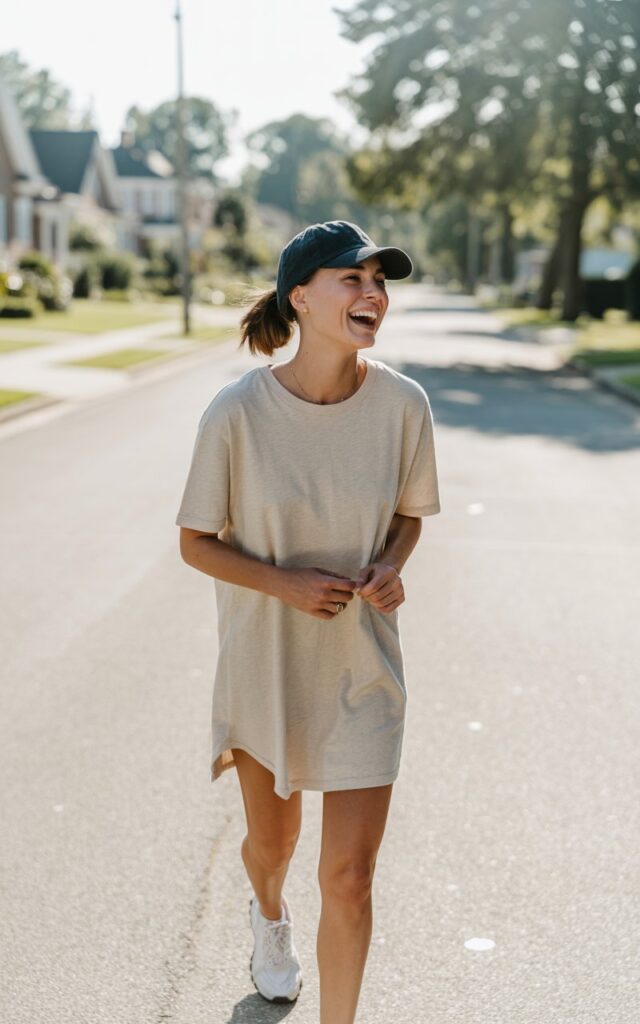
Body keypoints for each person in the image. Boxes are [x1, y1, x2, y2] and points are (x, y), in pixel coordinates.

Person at [175, 220, 441, 1024]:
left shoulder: (403, 405)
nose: (372, 295)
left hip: (364, 667)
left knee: (351, 877)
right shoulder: (236, 413)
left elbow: (408, 518)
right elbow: (195, 543)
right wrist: (282, 584)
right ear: (300, 297)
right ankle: (267, 915)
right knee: (274, 848)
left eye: (379, 282)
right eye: (350, 279)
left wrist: (393, 564)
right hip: (268, 665)